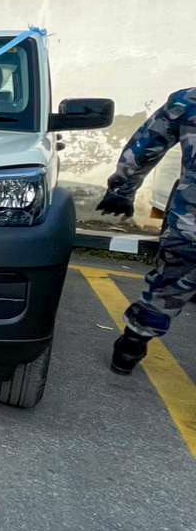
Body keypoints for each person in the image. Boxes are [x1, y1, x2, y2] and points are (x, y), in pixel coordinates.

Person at [97, 87, 196, 374]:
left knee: (169, 287)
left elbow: (145, 146)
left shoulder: (188, 101)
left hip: (189, 227)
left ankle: (131, 346)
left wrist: (122, 190)